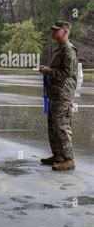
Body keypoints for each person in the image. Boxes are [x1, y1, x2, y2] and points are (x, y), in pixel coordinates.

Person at [39, 21, 78, 171]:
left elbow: (65, 74)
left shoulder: (68, 50)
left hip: (63, 95)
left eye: (56, 30)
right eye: (53, 30)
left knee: (62, 127)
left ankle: (69, 159)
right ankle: (58, 156)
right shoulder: (60, 49)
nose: (53, 33)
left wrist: (48, 71)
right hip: (55, 94)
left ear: (65, 31)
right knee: (53, 126)